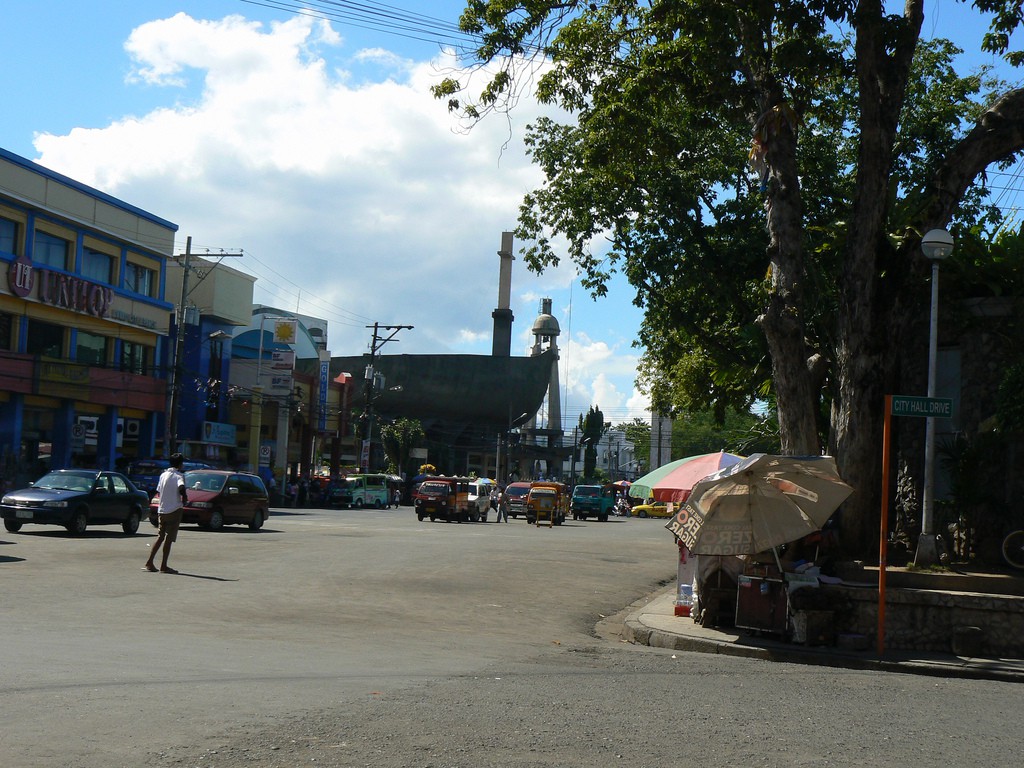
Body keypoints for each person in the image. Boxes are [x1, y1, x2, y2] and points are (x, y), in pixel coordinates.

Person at [144, 453, 188, 574]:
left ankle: (150, 562)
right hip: (174, 509)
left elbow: (159, 490)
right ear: (180, 464)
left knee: (160, 537)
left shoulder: (163, 475)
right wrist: (184, 497)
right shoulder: (179, 475)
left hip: (161, 510)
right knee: (169, 538)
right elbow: (181, 487)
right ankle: (164, 565)